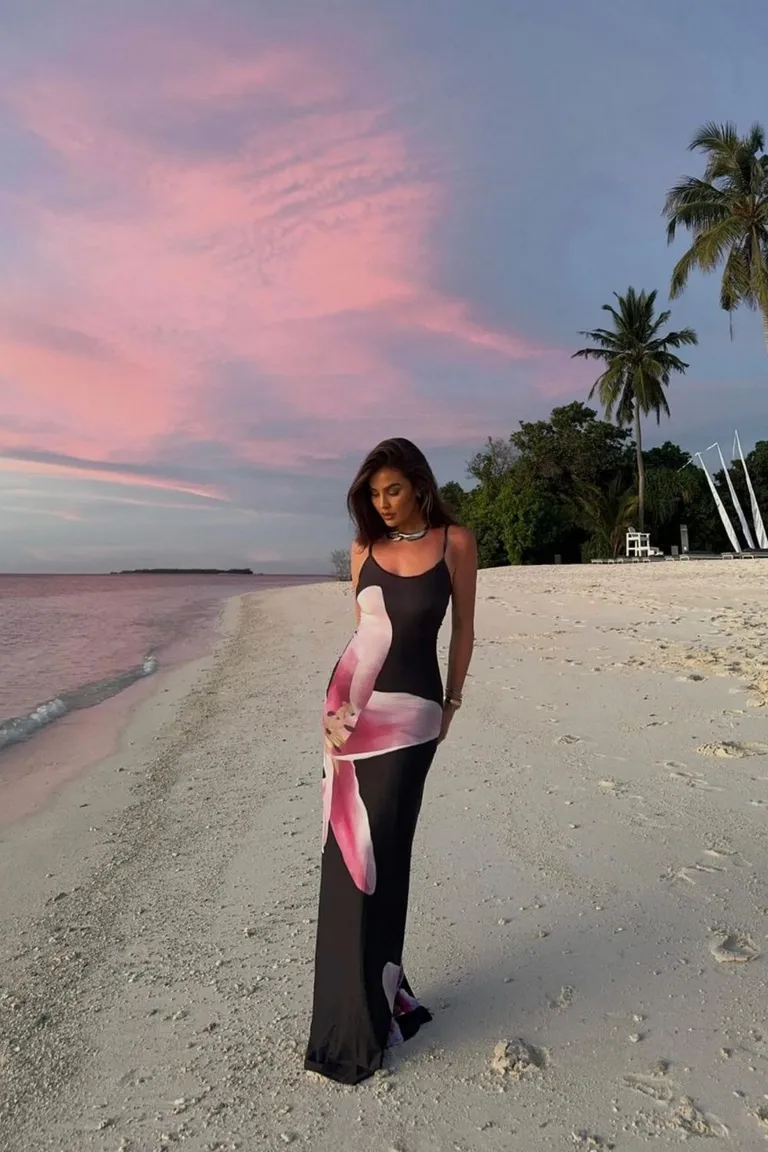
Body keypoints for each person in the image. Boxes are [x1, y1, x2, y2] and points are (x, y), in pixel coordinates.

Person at [304, 437, 477, 1085]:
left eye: (393, 491)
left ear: (420, 487)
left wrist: (452, 698)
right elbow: (364, 635)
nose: (383, 503)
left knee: (386, 856)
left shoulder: (455, 542)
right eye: (374, 494)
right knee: (347, 863)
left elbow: (462, 629)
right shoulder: (363, 552)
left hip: (415, 715)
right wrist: (333, 712)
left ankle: (378, 996)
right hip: (350, 714)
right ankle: (353, 1013)